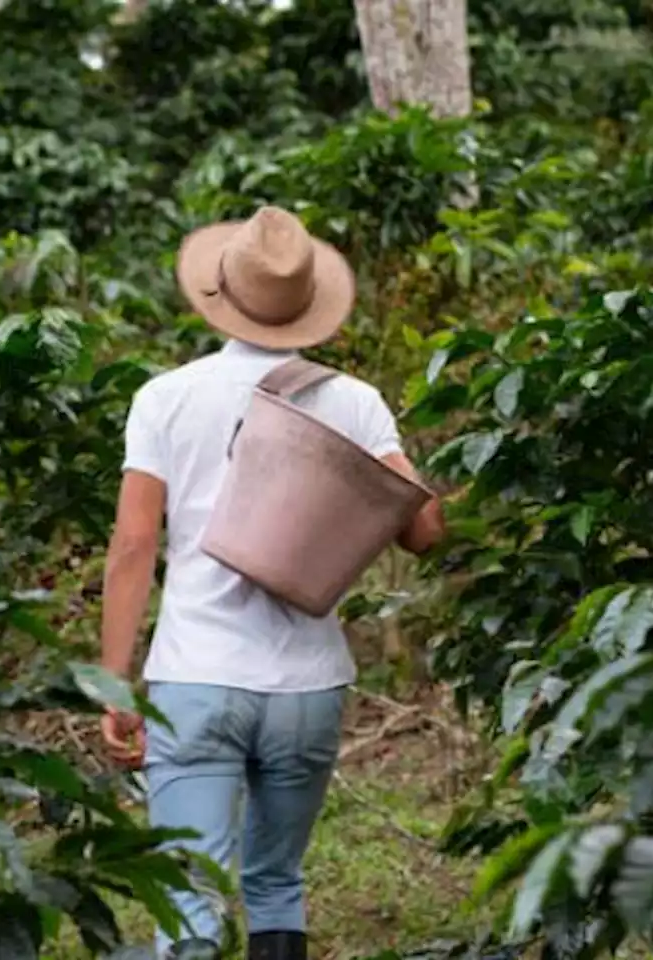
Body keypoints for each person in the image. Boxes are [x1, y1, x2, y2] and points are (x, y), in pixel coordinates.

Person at [97, 206, 446, 960]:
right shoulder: (353, 401)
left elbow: (133, 545)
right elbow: (425, 533)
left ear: (221, 294)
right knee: (277, 882)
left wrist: (113, 685)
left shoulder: (166, 397)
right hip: (307, 688)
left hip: (196, 676)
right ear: (306, 307)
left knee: (187, 894)